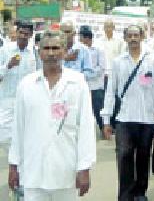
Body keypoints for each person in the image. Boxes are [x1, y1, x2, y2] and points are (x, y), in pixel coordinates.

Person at [8, 29, 96, 201]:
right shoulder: (26, 85)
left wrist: (84, 167)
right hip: (34, 172)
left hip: (66, 172)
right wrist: (13, 165)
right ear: (39, 52)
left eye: (56, 48)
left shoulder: (77, 83)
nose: (51, 53)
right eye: (46, 48)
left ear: (64, 51)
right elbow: (18, 129)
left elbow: (86, 127)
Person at [101, 25, 154, 201]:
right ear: (125, 38)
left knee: (143, 157)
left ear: (142, 37)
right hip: (124, 119)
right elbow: (110, 91)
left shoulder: (152, 60)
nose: (134, 38)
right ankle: (125, 196)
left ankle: (140, 193)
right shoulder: (118, 62)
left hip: (147, 119)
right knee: (124, 156)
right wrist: (106, 120)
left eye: (137, 35)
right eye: (130, 35)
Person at [0, 21, 36, 201]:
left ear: (30, 35)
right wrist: (8, 65)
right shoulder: (5, 50)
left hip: (28, 103)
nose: (23, 36)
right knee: (5, 137)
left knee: (26, 139)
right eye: (20, 32)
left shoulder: (33, 53)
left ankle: (22, 179)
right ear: (17, 33)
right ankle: (16, 166)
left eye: (26, 33)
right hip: (7, 102)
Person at [80, 25, 105, 135]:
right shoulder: (79, 50)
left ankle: (104, 130)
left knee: (98, 110)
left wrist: (87, 74)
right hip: (83, 86)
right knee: (85, 111)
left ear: (87, 38)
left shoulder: (99, 49)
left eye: (81, 37)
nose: (79, 40)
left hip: (96, 86)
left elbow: (101, 67)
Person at [99, 20, 125, 91]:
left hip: (115, 73)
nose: (108, 29)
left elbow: (122, 57)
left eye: (110, 27)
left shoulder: (120, 41)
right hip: (103, 75)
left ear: (113, 28)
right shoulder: (99, 41)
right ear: (103, 28)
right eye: (106, 27)